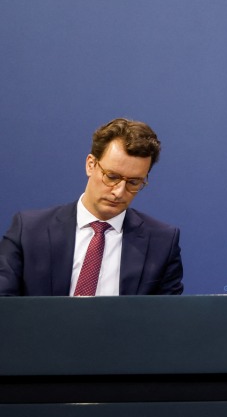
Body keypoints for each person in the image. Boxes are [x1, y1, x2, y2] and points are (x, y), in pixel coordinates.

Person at [0, 118, 183, 296]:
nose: (119, 192)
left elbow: (167, 320)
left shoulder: (162, 243)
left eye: (134, 182)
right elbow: (5, 308)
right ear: (91, 165)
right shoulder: (29, 231)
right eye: (111, 177)